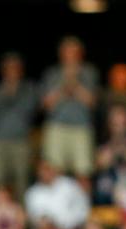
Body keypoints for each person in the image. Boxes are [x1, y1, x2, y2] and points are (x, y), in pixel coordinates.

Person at [39, 36, 99, 178]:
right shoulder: (51, 73)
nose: (71, 55)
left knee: (84, 172)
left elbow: (91, 103)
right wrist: (63, 85)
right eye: (67, 51)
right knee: (54, 171)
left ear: (81, 53)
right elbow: (46, 105)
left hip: (82, 127)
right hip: (56, 127)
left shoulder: (89, 72)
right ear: (61, 53)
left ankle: (84, 200)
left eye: (74, 51)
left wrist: (75, 84)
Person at [0, 53, 39, 200]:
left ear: (21, 70)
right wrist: (7, 92)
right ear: (3, 70)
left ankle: (22, 214)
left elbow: (29, 110)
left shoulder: (29, 88)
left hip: (21, 141)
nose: (12, 71)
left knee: (22, 179)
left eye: (15, 68)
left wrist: (15, 92)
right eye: (8, 68)